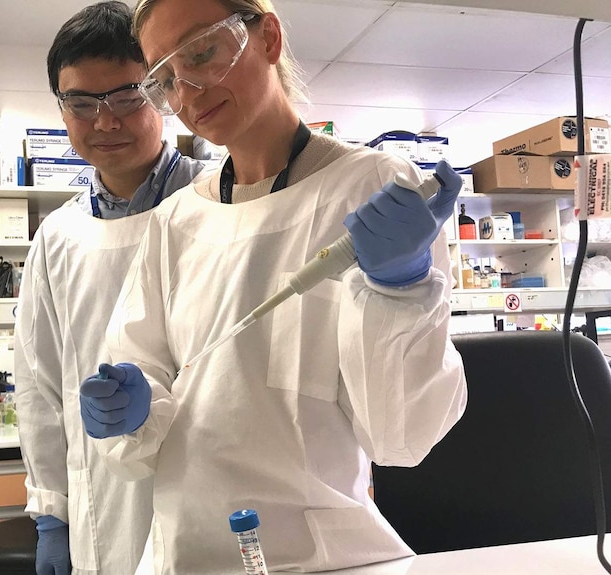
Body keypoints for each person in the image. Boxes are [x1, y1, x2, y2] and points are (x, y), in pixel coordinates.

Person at [78, 0, 468, 573]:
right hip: (185, 551)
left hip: (323, 555)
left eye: (202, 53)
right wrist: (129, 412)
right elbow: (145, 376)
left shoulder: (374, 189)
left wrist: (402, 291)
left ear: (267, 38)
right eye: (165, 79)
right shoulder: (176, 221)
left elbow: (402, 437)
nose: (187, 95)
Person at [14, 2, 205, 574]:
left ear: (164, 93)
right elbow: (39, 382)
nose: (105, 122)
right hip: (100, 498)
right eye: (81, 103)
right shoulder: (58, 237)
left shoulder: (223, 203)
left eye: (127, 96)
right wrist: (51, 510)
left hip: (208, 482)